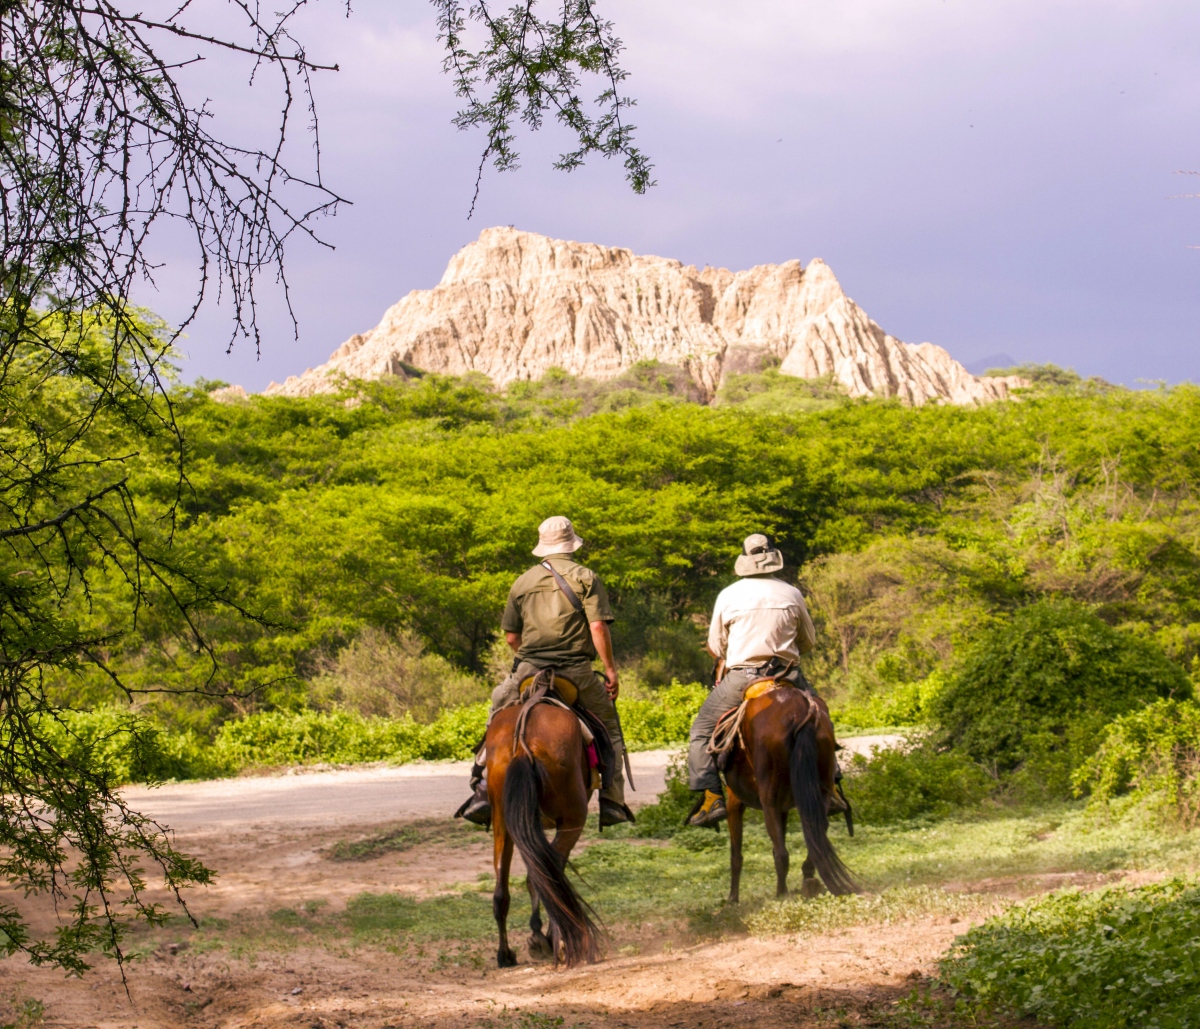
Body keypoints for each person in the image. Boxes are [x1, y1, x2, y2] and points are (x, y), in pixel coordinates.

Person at [457, 515, 634, 828]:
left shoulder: (522, 582)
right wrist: (610, 670)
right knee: (610, 728)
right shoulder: (586, 577)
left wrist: (530, 656)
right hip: (576, 671)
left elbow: (512, 637)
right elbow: (597, 626)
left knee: (497, 713)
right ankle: (612, 801)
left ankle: (483, 787)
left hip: (528, 668)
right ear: (571, 543)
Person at [685, 533, 818, 828]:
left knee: (701, 730)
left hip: (743, 678)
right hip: (788, 675)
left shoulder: (728, 595)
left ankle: (711, 799)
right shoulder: (792, 593)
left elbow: (717, 647)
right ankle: (831, 787)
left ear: (745, 560)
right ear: (772, 558)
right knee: (821, 718)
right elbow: (808, 642)